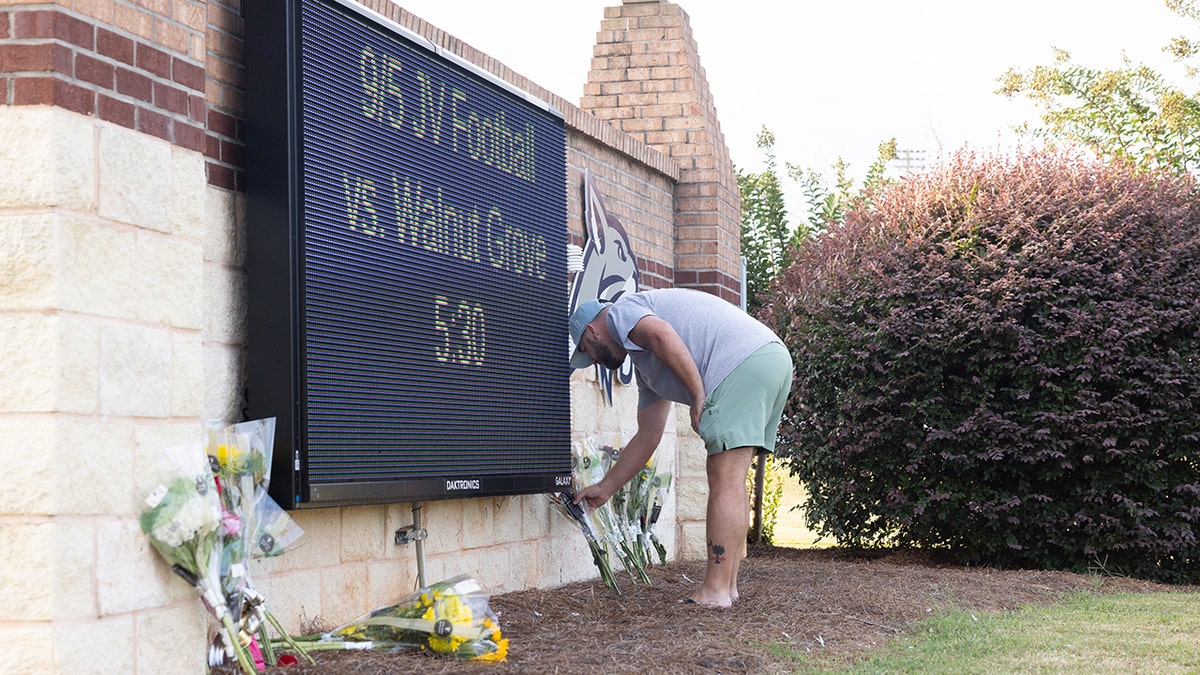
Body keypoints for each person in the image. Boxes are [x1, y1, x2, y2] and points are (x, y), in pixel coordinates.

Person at [569, 287, 793, 607]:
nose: (592, 360)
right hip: (769, 358)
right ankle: (727, 587)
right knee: (733, 479)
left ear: (592, 330)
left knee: (724, 477)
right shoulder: (647, 369)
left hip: (740, 362)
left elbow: (662, 334)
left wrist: (697, 396)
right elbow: (648, 436)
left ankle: (714, 591)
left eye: (586, 350)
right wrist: (606, 487)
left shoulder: (622, 312)